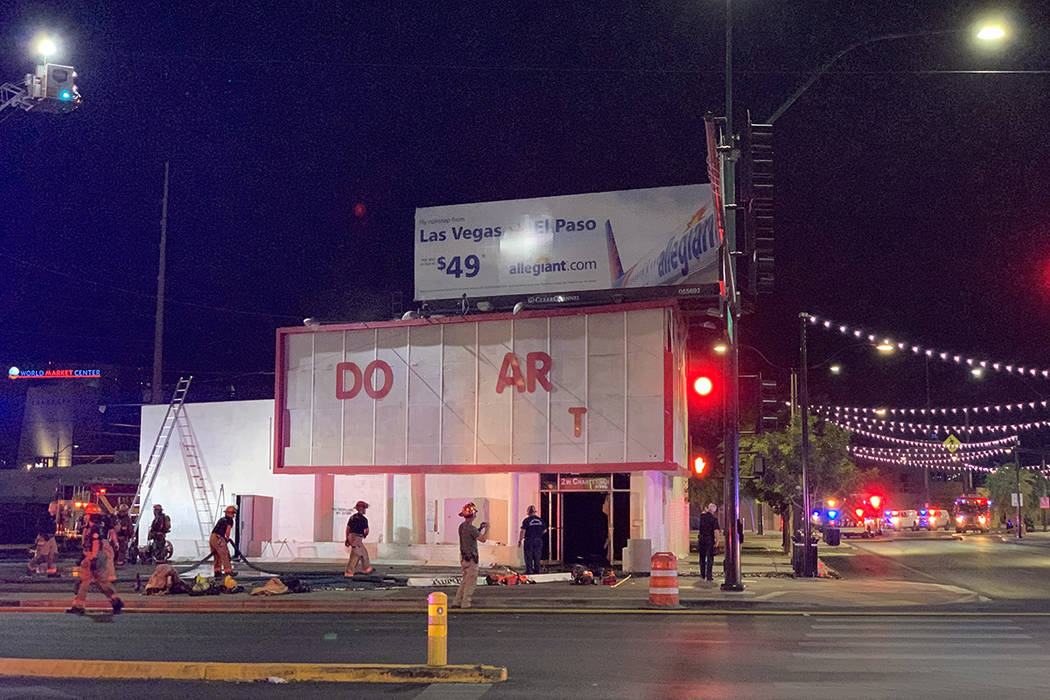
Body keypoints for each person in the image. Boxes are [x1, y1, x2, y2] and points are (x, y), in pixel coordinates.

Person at [67, 510, 123, 615]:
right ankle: (116, 601)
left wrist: (93, 557)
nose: (86, 517)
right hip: (95, 557)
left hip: (93, 557)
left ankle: (78, 606)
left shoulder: (95, 529)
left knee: (85, 581)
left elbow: (96, 543)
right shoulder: (95, 528)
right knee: (101, 582)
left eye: (87, 515)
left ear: (90, 516)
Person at [452, 502, 488, 609]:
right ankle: (465, 603)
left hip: (464, 558)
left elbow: (471, 534)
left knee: (464, 581)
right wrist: (487, 529)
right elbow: (483, 539)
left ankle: (457, 601)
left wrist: (479, 529)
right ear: (472, 516)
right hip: (472, 559)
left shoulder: (461, 527)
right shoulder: (471, 528)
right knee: (470, 582)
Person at [344, 500, 374, 577]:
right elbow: (366, 531)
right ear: (362, 509)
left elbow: (348, 529)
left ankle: (367, 568)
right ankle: (349, 572)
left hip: (351, 536)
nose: (365, 510)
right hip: (357, 538)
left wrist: (347, 538)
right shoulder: (364, 519)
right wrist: (364, 535)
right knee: (355, 555)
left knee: (363, 552)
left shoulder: (352, 518)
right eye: (364, 508)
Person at [517, 505, 547, 575]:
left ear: (528, 512)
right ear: (534, 512)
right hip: (538, 540)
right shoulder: (540, 520)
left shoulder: (526, 520)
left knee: (528, 556)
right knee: (537, 556)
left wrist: (520, 540)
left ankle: (529, 570)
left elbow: (523, 531)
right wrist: (538, 534)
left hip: (529, 540)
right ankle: (537, 570)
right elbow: (545, 530)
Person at [210, 506, 238, 578]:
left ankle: (217, 572)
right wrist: (227, 539)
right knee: (225, 554)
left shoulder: (221, 519)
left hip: (212, 537)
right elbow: (227, 531)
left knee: (217, 556)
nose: (233, 515)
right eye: (233, 513)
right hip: (219, 538)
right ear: (231, 513)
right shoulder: (230, 520)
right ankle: (228, 572)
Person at [697, 503, 721, 582]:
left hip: (701, 539)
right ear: (714, 511)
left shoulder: (702, 517)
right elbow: (716, 531)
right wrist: (717, 541)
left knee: (702, 557)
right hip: (709, 540)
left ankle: (702, 574)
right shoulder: (713, 519)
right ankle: (709, 576)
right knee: (710, 558)